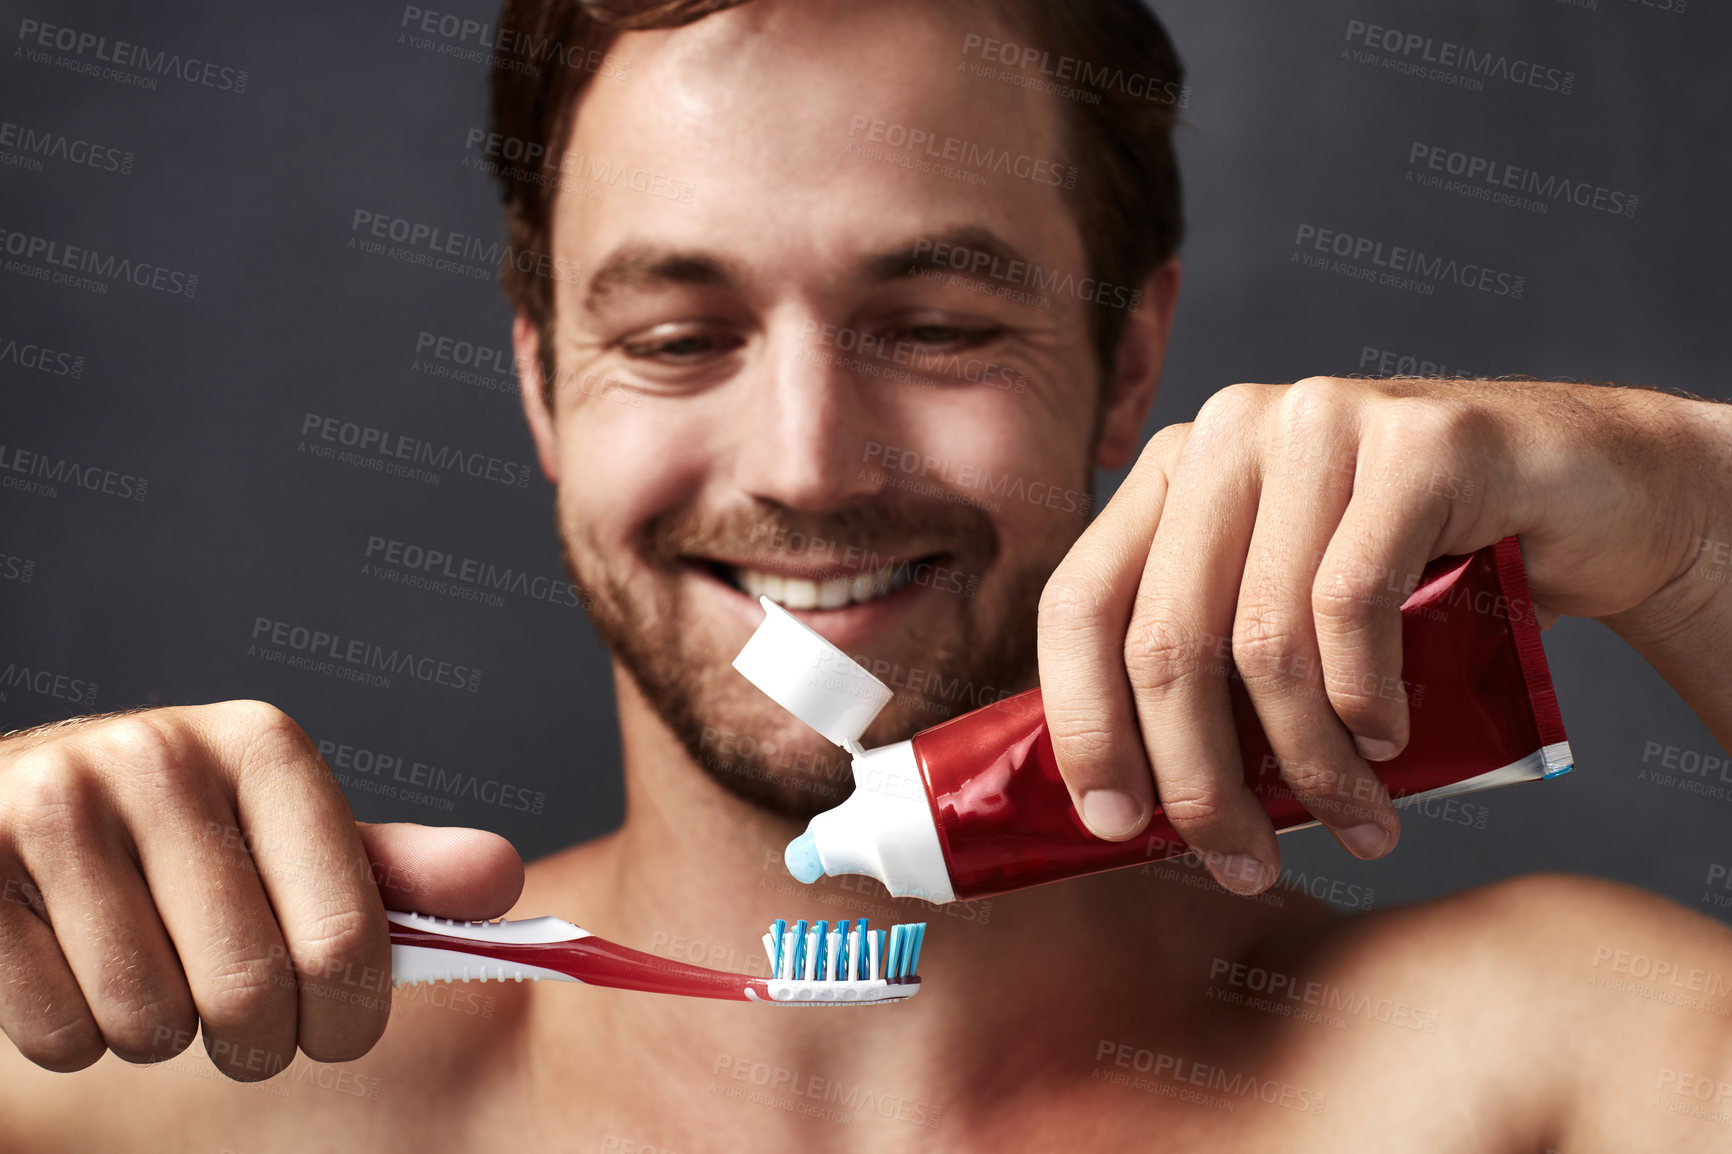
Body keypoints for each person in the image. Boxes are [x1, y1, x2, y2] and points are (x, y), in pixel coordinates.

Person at [3, 0, 1730, 1148]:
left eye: (939, 325)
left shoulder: (1553, 1070)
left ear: (1129, 357)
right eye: (679, 337)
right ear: (541, 384)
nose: (810, 462)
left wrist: (1694, 514)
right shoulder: (157, 1090)